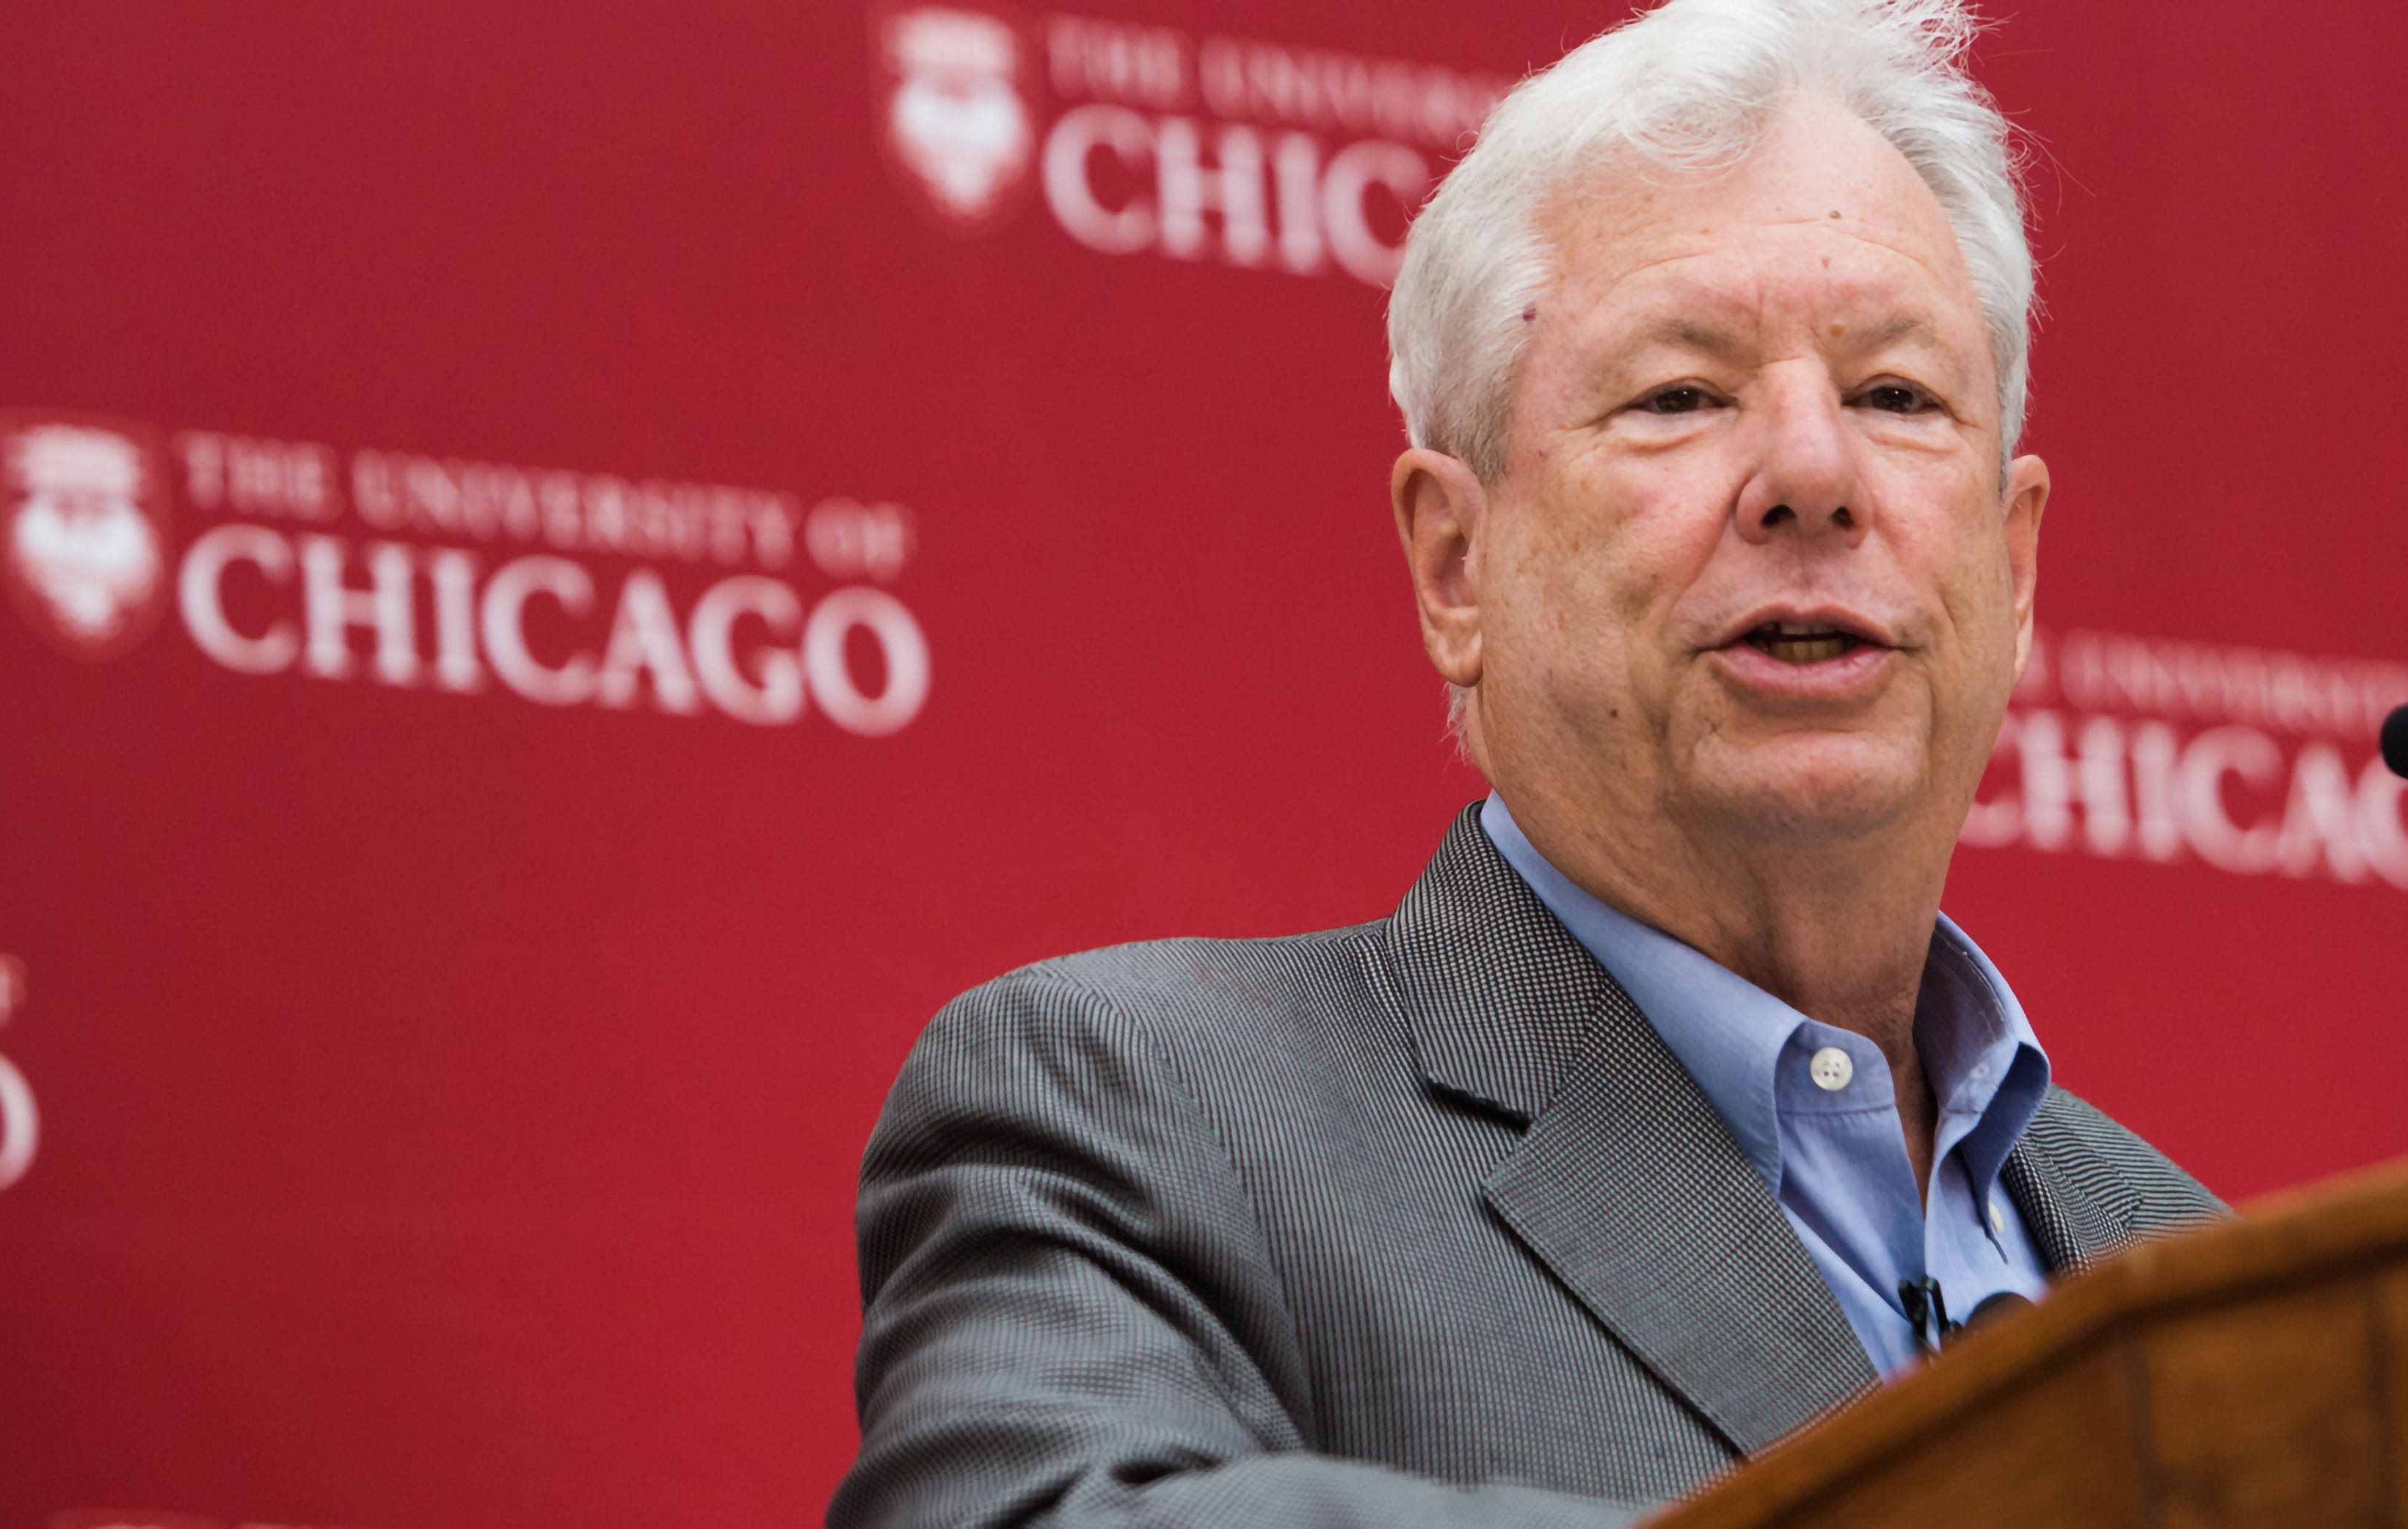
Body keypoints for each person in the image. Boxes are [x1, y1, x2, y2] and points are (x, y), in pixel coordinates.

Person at [834, 1, 2222, 1523]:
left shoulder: (2216, 1270)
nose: (1814, 475)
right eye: (1681, 395)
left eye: (1896, 396)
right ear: (1457, 564)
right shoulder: (1140, 1108)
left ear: (2012, 570)